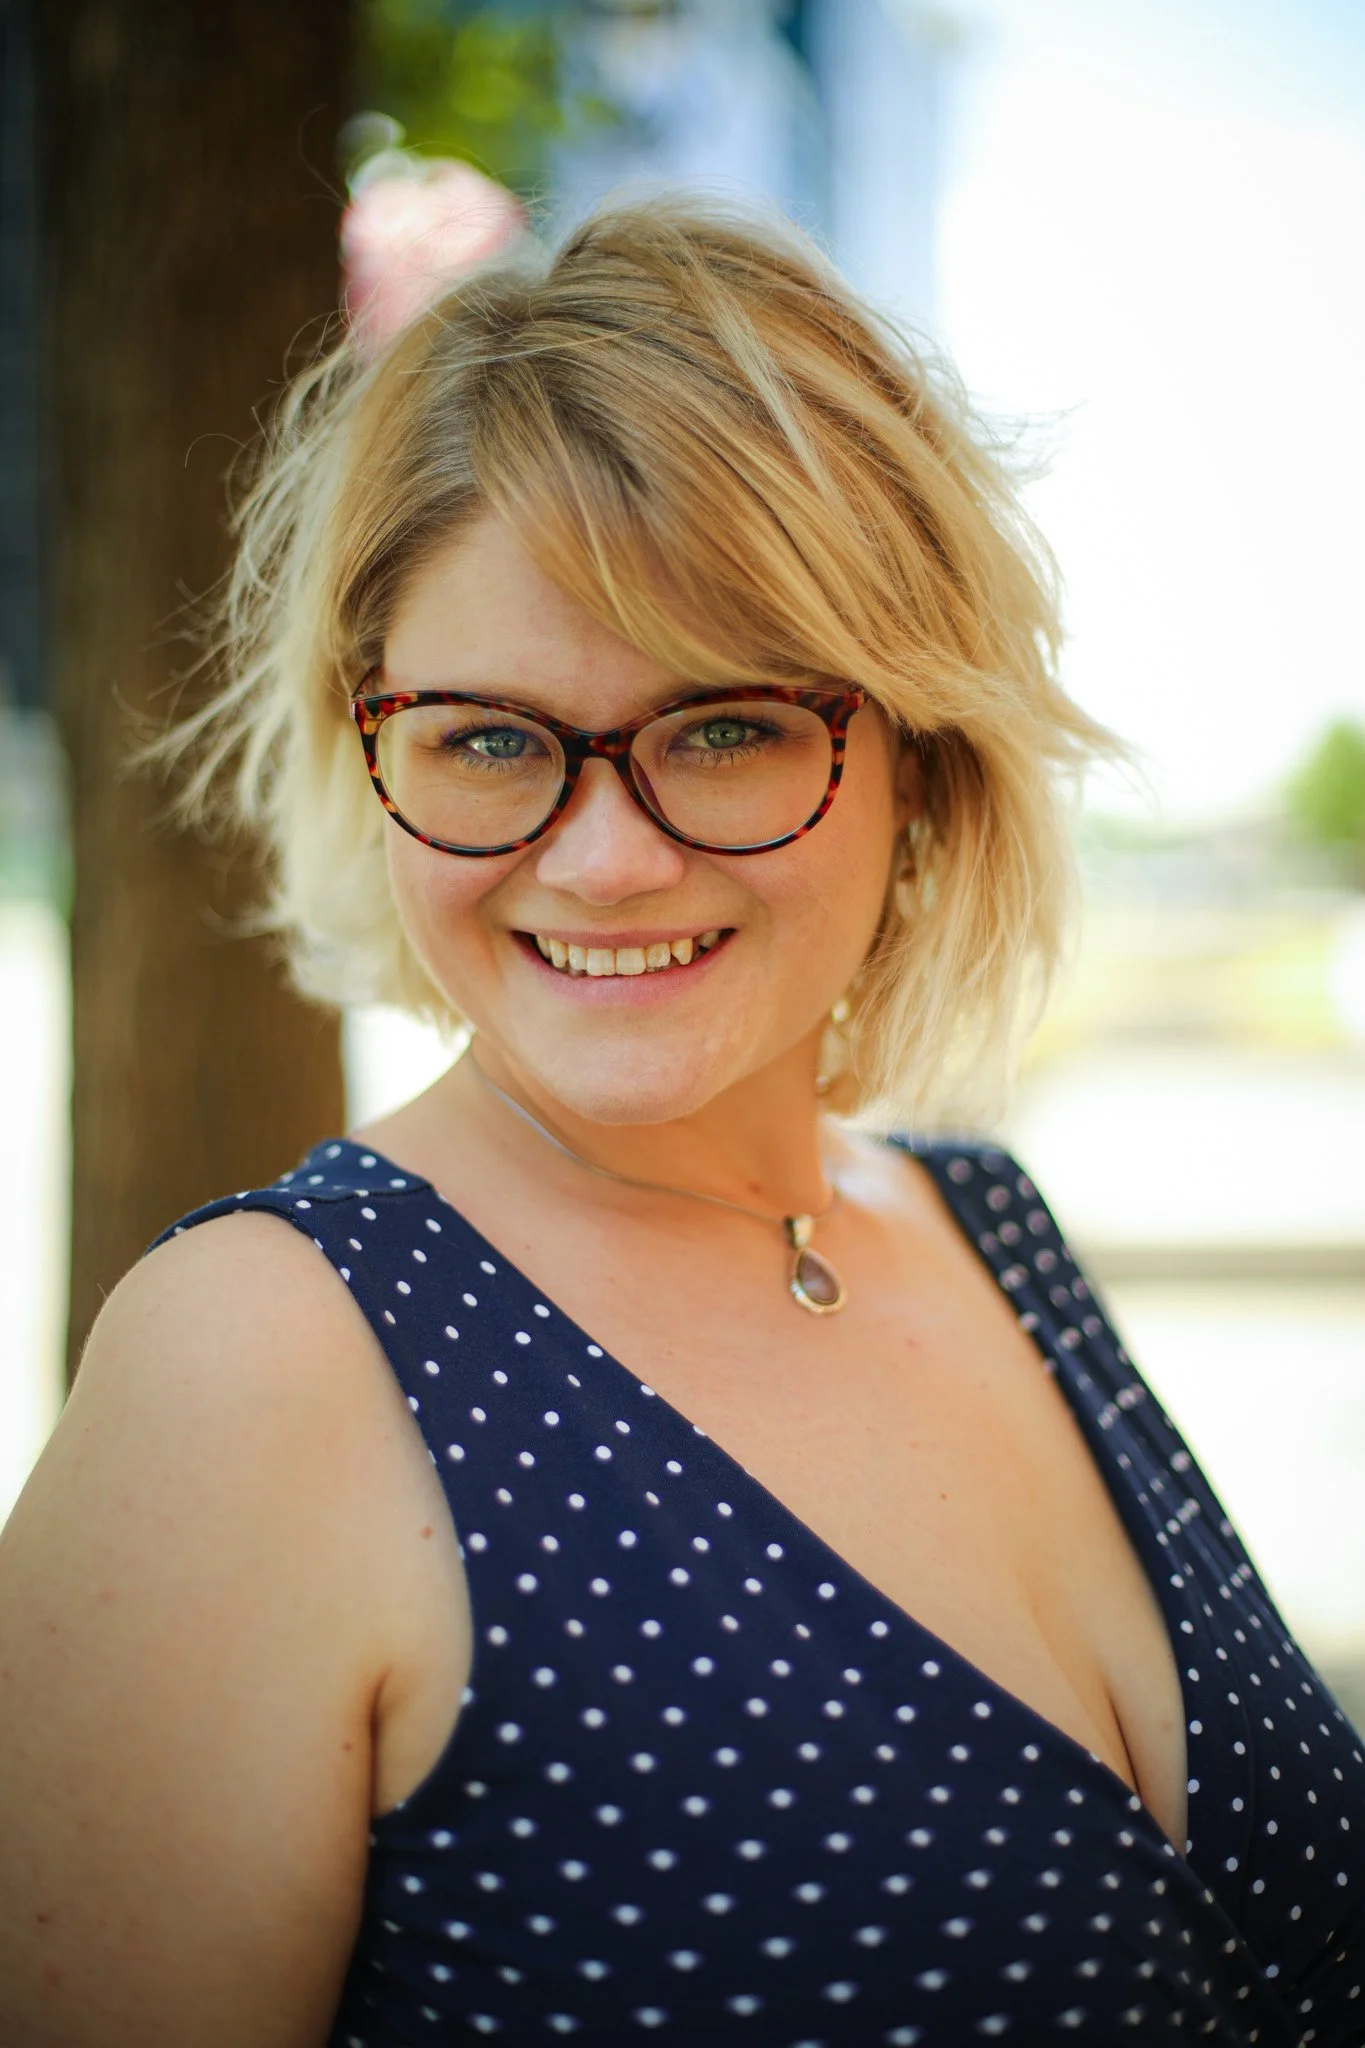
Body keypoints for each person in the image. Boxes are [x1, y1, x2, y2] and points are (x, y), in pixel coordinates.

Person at [0, 196, 1360, 2048]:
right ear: (375, 753)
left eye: (723, 728)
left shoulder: (989, 1229)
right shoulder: (261, 1364)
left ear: (918, 756)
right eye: (489, 737)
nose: (607, 855)